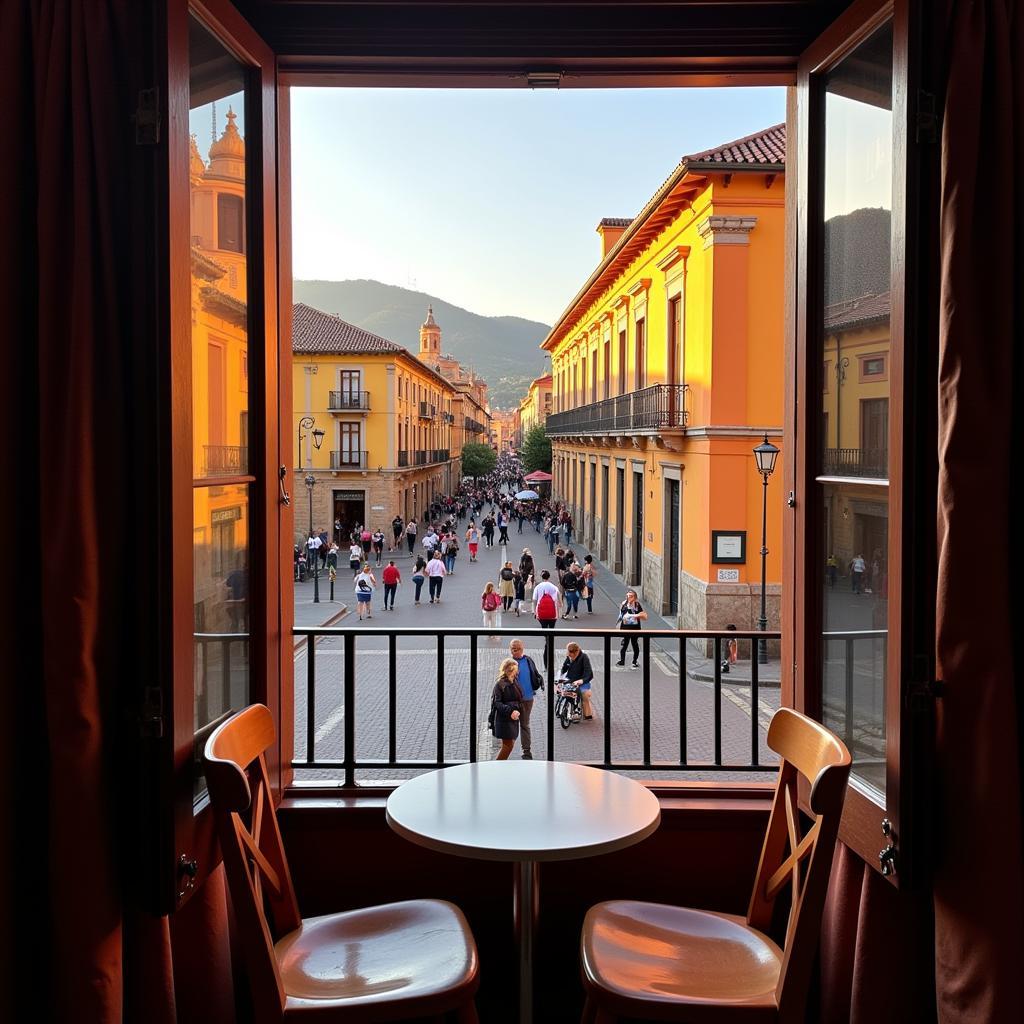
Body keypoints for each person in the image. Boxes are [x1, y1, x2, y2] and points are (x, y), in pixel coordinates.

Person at [508, 639, 543, 759]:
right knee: (510, 724)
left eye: (516, 649)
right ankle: (506, 748)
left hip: (527, 699)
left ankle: (526, 751)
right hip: (513, 700)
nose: (514, 651)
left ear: (522, 649)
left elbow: (535, 674)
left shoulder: (528, 660)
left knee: (524, 724)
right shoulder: (509, 663)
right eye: (512, 648)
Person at [490, 659, 524, 761]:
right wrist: (510, 711)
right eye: (515, 669)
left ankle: (500, 765)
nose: (517, 671)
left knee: (509, 744)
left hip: (512, 718)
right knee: (508, 745)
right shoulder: (500, 684)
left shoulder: (514, 680)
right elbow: (497, 703)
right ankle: (498, 766)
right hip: (504, 719)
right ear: (510, 669)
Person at [533, 569, 562, 668]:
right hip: (553, 613)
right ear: (549, 577)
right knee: (552, 630)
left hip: (541, 614)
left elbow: (534, 600)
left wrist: (534, 612)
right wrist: (560, 607)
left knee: (545, 631)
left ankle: (547, 642)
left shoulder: (538, 587)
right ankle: (549, 643)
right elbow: (559, 598)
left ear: (542, 577)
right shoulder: (554, 587)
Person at [560, 641, 594, 719]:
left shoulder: (584, 657)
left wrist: (581, 680)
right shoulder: (569, 657)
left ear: (577, 651)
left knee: (584, 694)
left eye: (571, 655)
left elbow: (589, 673)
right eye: (569, 654)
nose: (570, 657)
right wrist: (561, 675)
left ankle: (587, 714)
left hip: (582, 681)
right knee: (562, 690)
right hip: (571, 680)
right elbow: (564, 669)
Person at [616, 589, 648, 668]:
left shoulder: (637, 605)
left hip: (635, 628)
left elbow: (643, 616)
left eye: (631, 596)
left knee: (635, 644)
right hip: (625, 628)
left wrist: (635, 614)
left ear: (635, 597)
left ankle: (634, 661)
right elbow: (621, 615)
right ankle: (622, 661)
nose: (629, 597)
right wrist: (618, 625)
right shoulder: (624, 604)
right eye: (628, 596)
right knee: (624, 645)